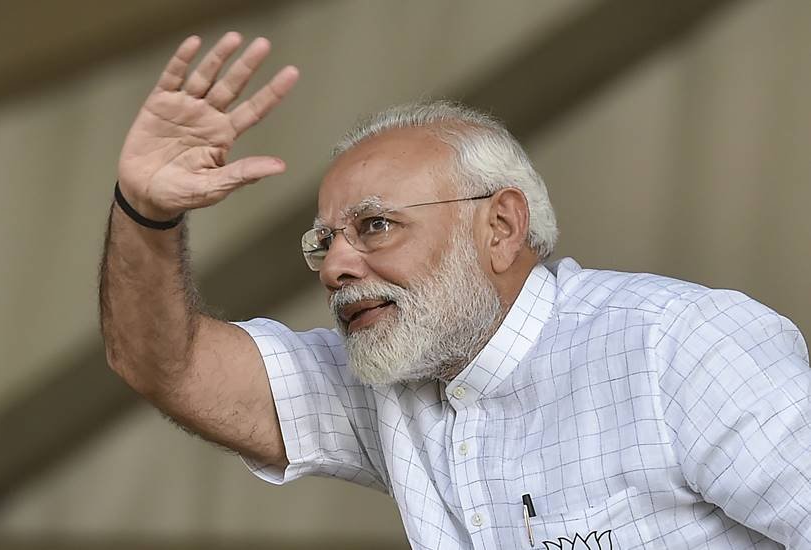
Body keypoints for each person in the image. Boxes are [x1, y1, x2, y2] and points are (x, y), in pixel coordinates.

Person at [99, 32, 811, 550]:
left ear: (500, 225)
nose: (334, 266)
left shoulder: (677, 344)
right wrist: (145, 211)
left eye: (374, 226)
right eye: (324, 241)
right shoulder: (393, 374)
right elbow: (165, 364)